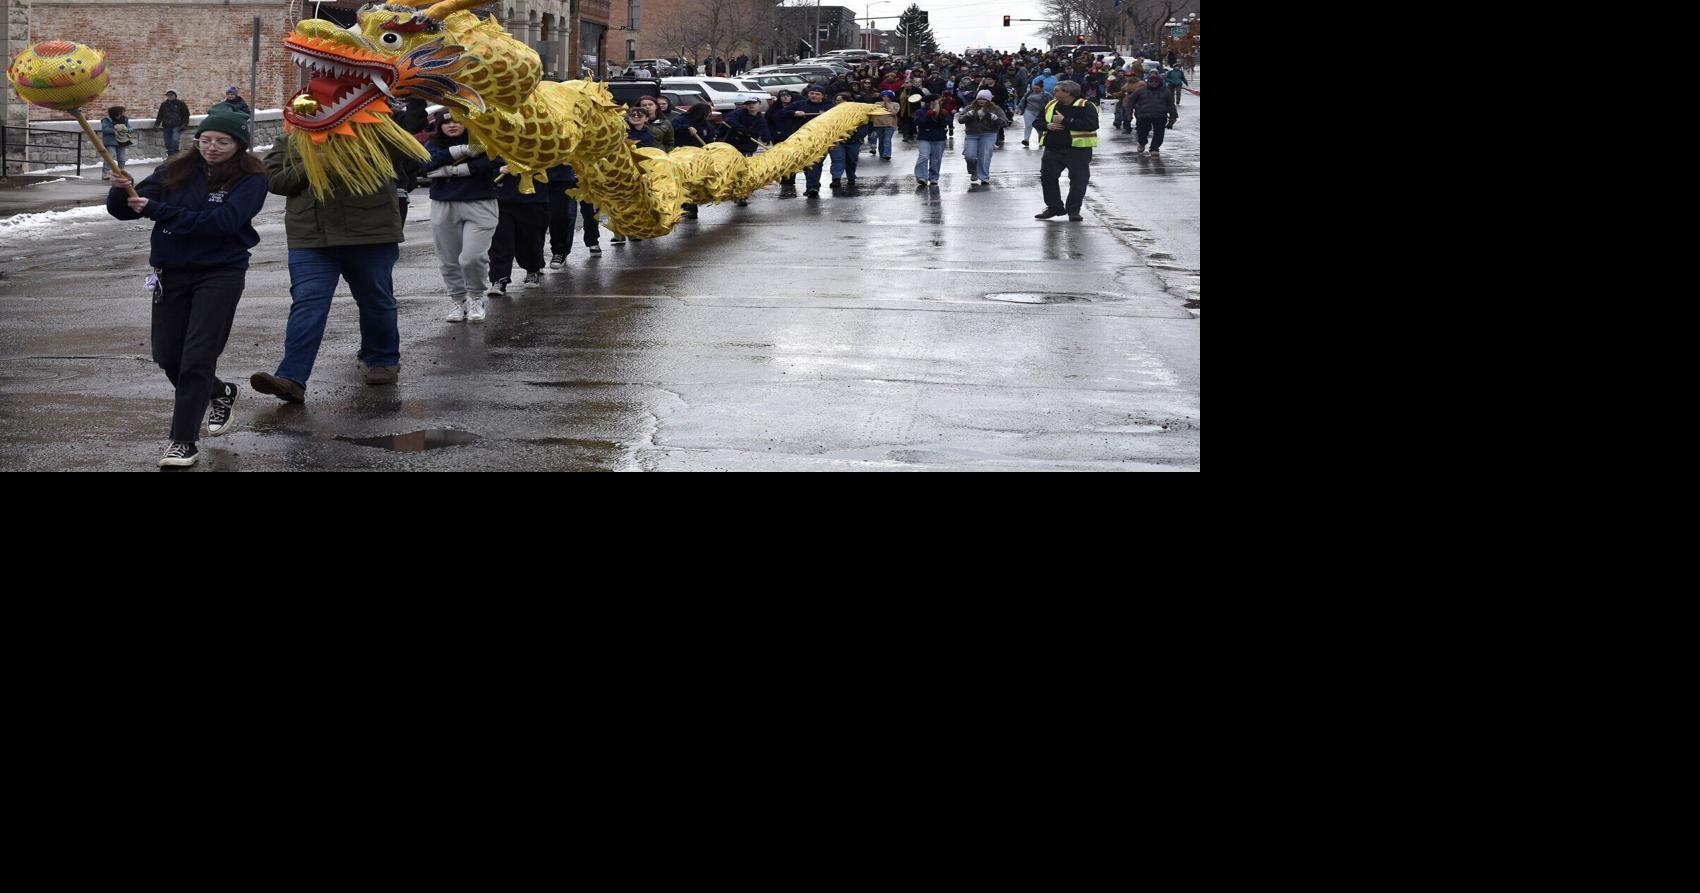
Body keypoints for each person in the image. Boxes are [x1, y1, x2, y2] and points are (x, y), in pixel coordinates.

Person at [105, 111, 266, 468]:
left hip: (220, 273)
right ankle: (221, 392)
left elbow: (222, 223)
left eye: (222, 142)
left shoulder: (251, 178)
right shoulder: (173, 170)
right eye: (206, 140)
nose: (212, 147)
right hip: (171, 272)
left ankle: (182, 441)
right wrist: (120, 191)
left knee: (197, 358)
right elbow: (128, 210)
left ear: (239, 144)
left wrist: (158, 210)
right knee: (168, 357)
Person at [420, 114, 502, 314]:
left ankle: (476, 298)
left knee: (472, 258)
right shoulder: (433, 144)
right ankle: (458, 301)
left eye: (457, 120)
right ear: (439, 126)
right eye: (446, 122)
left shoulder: (483, 138)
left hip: (480, 203)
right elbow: (424, 164)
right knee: (449, 260)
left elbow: (496, 159)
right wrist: (457, 151)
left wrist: (460, 170)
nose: (452, 125)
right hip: (444, 205)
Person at [1035, 80, 1097, 222]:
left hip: (1078, 150)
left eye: (1057, 90)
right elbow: (1037, 121)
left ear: (1068, 92)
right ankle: (1054, 207)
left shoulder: (1085, 105)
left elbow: (1092, 125)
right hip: (1053, 148)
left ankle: (1073, 210)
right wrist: (1047, 126)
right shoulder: (1050, 104)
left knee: (1078, 180)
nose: (1054, 92)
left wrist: (1066, 120)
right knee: (1047, 177)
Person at [488, 159, 550, 294]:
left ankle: (533, 269)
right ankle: (499, 278)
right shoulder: (498, 142)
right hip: (502, 199)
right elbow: (483, 165)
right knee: (500, 240)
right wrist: (499, 170)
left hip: (533, 198)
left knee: (531, 238)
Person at [547, 163, 601, 267]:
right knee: (567, 214)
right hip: (563, 176)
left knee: (590, 212)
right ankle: (562, 251)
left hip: (586, 176)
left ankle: (593, 241)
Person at [787, 86, 833, 198]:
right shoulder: (799, 104)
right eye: (812, 93)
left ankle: (813, 187)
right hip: (802, 140)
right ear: (808, 94)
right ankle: (812, 185)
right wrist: (794, 112)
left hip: (821, 140)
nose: (814, 96)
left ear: (823, 96)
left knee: (816, 163)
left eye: (817, 94)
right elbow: (781, 113)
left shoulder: (829, 107)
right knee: (806, 164)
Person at [673, 103, 717, 217]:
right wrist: (686, 128)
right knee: (684, 181)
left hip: (698, 158)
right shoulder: (681, 120)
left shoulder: (706, 125)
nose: (707, 117)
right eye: (706, 114)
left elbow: (710, 137)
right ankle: (687, 205)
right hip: (682, 156)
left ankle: (691, 207)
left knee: (694, 182)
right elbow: (672, 128)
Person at [724, 98, 770, 206]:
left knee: (745, 171)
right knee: (734, 170)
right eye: (748, 104)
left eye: (753, 103)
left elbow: (764, 129)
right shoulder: (739, 113)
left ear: (759, 105)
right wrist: (743, 130)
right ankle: (733, 191)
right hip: (734, 145)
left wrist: (766, 138)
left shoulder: (760, 118)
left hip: (748, 146)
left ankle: (742, 195)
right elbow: (729, 120)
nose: (751, 106)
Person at [957, 90, 1008, 186]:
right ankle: (973, 171)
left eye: (984, 99)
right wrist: (967, 115)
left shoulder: (995, 109)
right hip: (972, 135)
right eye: (979, 98)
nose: (981, 101)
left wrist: (996, 118)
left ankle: (984, 177)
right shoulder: (969, 108)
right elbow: (960, 120)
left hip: (988, 134)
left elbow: (1005, 123)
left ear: (988, 100)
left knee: (984, 155)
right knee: (969, 156)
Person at [826, 92, 867, 191]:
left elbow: (863, 127)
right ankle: (836, 178)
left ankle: (851, 177)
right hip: (836, 141)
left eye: (841, 100)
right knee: (837, 160)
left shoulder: (858, 113)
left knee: (851, 160)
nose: (838, 102)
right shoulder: (830, 112)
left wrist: (855, 136)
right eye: (837, 100)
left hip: (853, 141)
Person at [1129, 72, 1178, 153]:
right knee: (1141, 132)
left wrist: (1173, 117)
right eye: (1151, 82)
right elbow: (1131, 101)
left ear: (1160, 82)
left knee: (1159, 133)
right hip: (1143, 115)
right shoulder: (1140, 91)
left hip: (1160, 116)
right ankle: (1142, 143)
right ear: (1148, 82)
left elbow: (1171, 105)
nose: (1153, 83)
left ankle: (1154, 148)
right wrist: (1129, 113)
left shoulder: (1166, 92)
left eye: (1156, 82)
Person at [766, 90, 803, 198]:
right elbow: (770, 120)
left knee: (793, 158)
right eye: (783, 96)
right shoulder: (774, 109)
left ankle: (791, 178)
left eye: (787, 96)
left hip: (793, 136)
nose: (785, 98)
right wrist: (769, 135)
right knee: (782, 158)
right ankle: (783, 177)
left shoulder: (796, 106)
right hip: (778, 136)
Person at [913, 96, 948, 187]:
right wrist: (928, 115)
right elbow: (918, 123)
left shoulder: (943, 111)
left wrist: (941, 115)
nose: (937, 104)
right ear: (929, 103)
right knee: (924, 156)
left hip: (939, 138)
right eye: (935, 102)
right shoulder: (920, 112)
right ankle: (921, 177)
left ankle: (934, 177)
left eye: (938, 102)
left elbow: (946, 123)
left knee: (936, 159)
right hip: (924, 137)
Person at [99, 106, 132, 180]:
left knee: (122, 158)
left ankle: (121, 172)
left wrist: (128, 130)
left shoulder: (125, 119)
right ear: (117, 112)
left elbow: (130, 128)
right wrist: (114, 130)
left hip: (122, 141)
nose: (124, 113)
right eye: (122, 111)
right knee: (109, 157)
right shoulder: (107, 120)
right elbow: (105, 130)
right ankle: (106, 173)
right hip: (111, 142)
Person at [155, 91, 190, 157]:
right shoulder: (164, 104)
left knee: (175, 141)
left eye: (171, 95)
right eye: (168, 95)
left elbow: (186, 115)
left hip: (177, 126)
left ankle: (175, 157)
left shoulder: (181, 103)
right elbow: (160, 115)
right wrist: (156, 124)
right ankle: (170, 157)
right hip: (166, 126)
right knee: (167, 142)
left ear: (175, 95)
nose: (169, 97)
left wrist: (184, 125)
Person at [869, 90, 899, 160]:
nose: (885, 97)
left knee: (887, 139)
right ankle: (882, 154)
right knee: (881, 140)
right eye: (884, 96)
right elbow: (874, 111)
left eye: (887, 96)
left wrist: (887, 103)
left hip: (890, 125)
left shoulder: (895, 104)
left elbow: (893, 112)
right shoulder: (877, 103)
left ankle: (887, 154)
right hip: (879, 124)